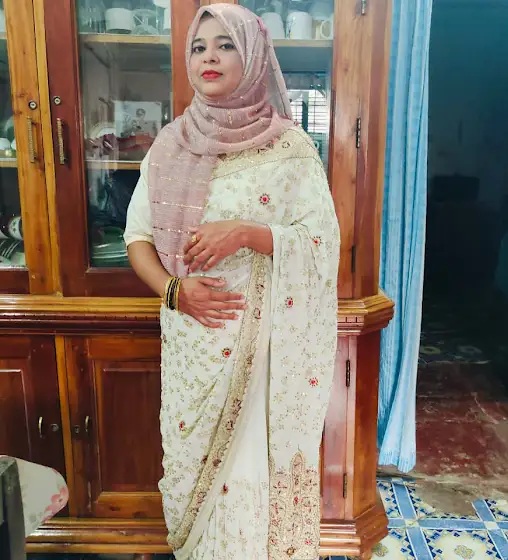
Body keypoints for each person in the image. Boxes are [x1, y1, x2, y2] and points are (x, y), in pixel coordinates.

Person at [124, 4, 340, 559]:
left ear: (253, 57)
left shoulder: (289, 148)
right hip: (192, 342)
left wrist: (246, 233)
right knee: (194, 476)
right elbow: (137, 237)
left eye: (226, 45)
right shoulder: (171, 144)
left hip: (264, 351)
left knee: (250, 476)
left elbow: (322, 241)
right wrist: (174, 291)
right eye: (199, 47)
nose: (210, 57)